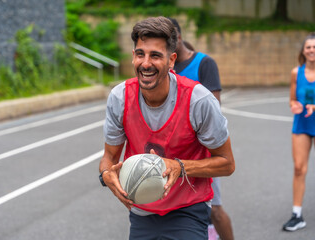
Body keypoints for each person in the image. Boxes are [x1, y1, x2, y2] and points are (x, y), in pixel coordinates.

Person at [99, 16, 235, 240]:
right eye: (140, 54)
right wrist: (106, 174)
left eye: (155, 56)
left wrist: (178, 166)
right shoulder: (120, 97)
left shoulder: (198, 100)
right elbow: (109, 157)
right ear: (133, 56)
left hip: (188, 208)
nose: (146, 63)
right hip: (142, 207)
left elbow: (227, 164)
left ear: (172, 60)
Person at [169, 17, 235, 240]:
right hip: (173, 150)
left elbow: (214, 108)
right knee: (175, 210)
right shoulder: (164, 67)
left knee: (213, 210)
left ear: (178, 37)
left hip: (201, 149)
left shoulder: (204, 63)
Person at [282, 32, 315, 232]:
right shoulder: (296, 72)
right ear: (303, 50)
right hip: (302, 125)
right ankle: (297, 214)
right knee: (298, 168)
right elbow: (292, 99)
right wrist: (294, 105)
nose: (312, 50)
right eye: (309, 47)